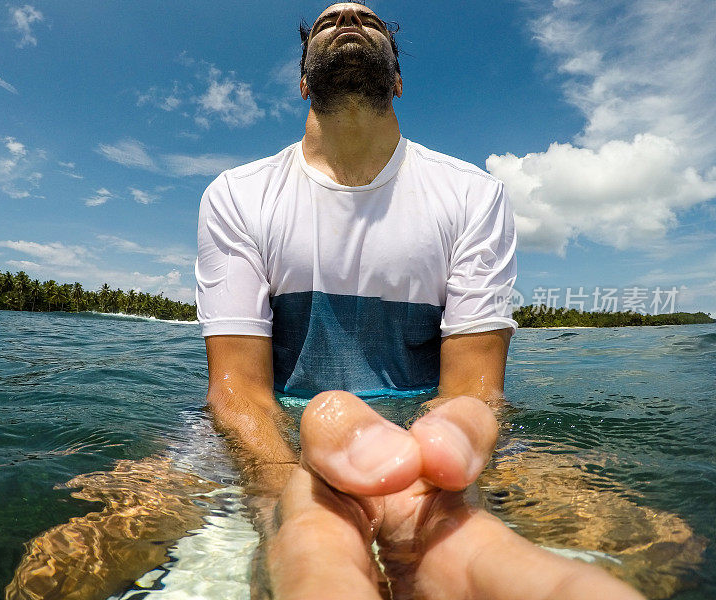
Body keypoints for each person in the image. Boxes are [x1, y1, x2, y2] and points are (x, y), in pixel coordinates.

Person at [195, 3, 646, 598]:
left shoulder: (472, 196)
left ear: (399, 82)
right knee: (75, 553)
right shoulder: (236, 196)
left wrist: (439, 497)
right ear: (303, 81)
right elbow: (238, 394)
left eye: (369, 20)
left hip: (426, 441)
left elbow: (473, 390)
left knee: (649, 540)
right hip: (274, 434)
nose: (350, 21)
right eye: (330, 20)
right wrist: (286, 505)